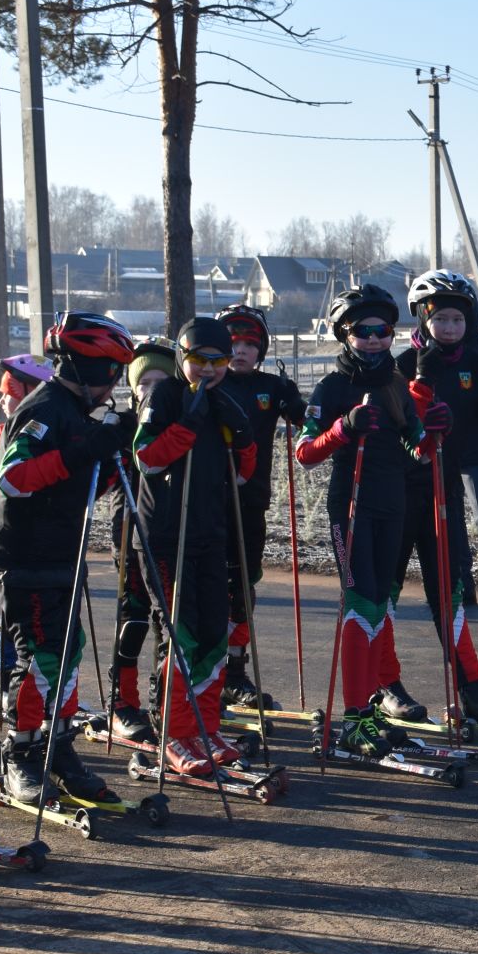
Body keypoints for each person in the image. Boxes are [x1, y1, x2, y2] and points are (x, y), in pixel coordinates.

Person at [0, 312, 135, 805]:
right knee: (42, 657)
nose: (115, 383)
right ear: (89, 368)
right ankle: (21, 754)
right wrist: (88, 446)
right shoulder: (45, 407)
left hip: (60, 551)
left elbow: (80, 486)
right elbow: (15, 477)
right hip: (23, 555)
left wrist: (114, 453)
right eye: (112, 371)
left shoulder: (75, 411)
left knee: (66, 655)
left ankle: (58, 746)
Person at [297, 285, 431, 756]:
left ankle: (371, 707)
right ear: (344, 335)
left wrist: (432, 432)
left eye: (383, 331)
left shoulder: (397, 383)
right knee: (359, 604)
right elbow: (304, 452)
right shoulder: (332, 386)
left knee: (380, 605)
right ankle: (352, 718)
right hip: (350, 506)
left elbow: (416, 448)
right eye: (363, 332)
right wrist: (342, 428)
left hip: (392, 503)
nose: (374, 339)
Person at [130, 318, 258, 775]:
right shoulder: (163, 395)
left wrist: (241, 432)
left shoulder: (223, 399)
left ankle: (206, 725)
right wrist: (187, 424)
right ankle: (174, 732)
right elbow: (145, 457)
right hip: (166, 535)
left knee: (213, 633)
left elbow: (243, 472)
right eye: (198, 359)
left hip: (209, 531)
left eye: (217, 361)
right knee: (180, 633)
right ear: (182, 358)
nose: (208, 369)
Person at [396, 271, 478, 726]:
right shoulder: (410, 362)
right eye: (440, 319)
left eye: (455, 319)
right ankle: (462, 586)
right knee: (448, 536)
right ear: (424, 321)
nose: (448, 328)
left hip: (474, 449)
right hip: (429, 463)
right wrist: (421, 378)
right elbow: (407, 417)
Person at [216, 304, 306, 711]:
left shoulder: (271, 387)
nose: (241, 350)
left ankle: (234, 673)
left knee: (243, 589)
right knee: (205, 591)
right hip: (203, 505)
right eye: (233, 342)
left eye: (251, 344)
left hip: (251, 504)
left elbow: (309, 422)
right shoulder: (206, 386)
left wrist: (299, 402)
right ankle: (200, 675)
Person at [102, 338, 175, 746]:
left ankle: (167, 704)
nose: (152, 389)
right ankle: (121, 704)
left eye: (162, 380)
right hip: (129, 531)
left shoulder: (180, 419)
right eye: (144, 381)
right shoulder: (124, 426)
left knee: (171, 622)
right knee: (133, 618)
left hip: (173, 534)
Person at [0, 351, 53, 716]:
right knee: (12, 619)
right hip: (10, 539)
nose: (2, 399)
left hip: (42, 539)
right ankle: (3, 678)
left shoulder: (48, 426)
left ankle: (26, 684)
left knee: (31, 622)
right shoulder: (5, 431)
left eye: (9, 392)